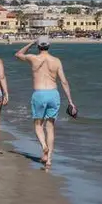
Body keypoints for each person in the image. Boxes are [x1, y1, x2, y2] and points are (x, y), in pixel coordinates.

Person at [15, 36, 76, 169]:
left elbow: (18, 54)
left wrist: (31, 43)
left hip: (40, 93)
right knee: (50, 127)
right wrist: (70, 101)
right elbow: (64, 81)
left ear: (38, 46)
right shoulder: (56, 61)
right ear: (49, 46)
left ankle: (43, 146)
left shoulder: (33, 58)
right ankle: (48, 160)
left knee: (38, 125)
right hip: (53, 94)